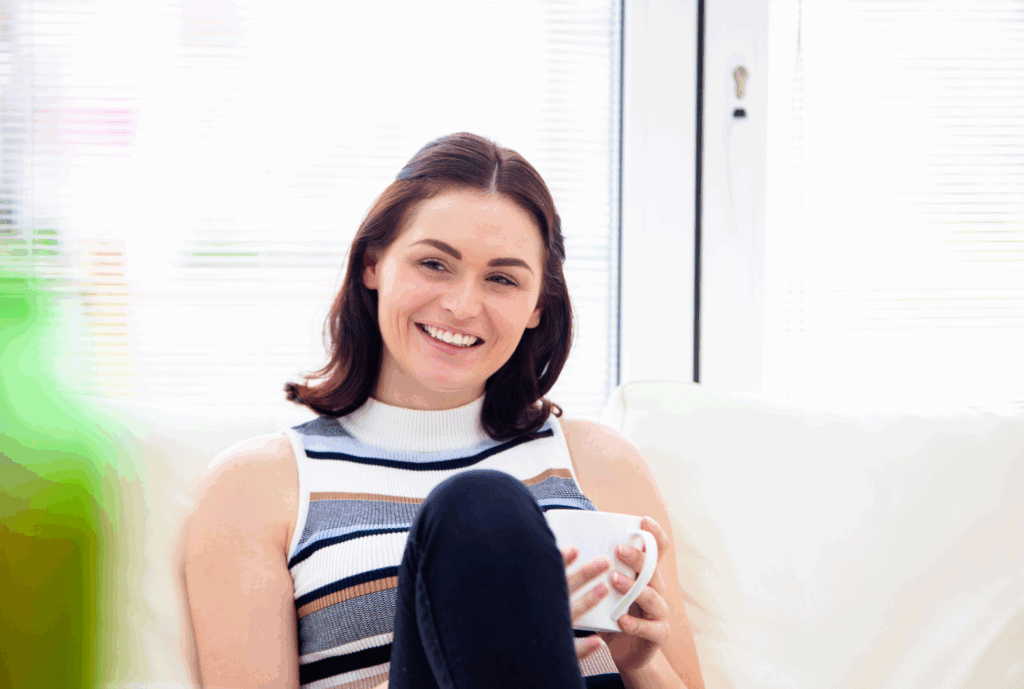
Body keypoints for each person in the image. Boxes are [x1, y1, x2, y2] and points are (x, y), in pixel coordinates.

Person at [183, 132, 704, 689]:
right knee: (478, 511)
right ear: (373, 265)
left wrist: (640, 661)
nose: (461, 305)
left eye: (502, 279)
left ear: (537, 306)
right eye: (434, 264)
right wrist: (477, 645)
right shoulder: (259, 488)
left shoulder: (600, 463)